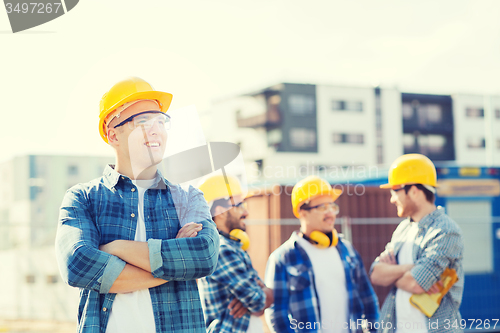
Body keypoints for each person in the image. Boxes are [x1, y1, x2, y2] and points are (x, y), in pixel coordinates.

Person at [55, 77, 220, 333]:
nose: (156, 130)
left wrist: (116, 248)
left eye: (161, 121)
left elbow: (204, 256)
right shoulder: (83, 198)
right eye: (142, 122)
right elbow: (77, 265)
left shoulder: (189, 198)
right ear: (113, 134)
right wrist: (175, 266)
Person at [265, 176, 379, 333]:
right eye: (322, 207)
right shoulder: (282, 258)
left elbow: (369, 300)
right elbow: (277, 315)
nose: (331, 213)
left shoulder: (348, 251)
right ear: (301, 212)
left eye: (332, 206)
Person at [370, 154, 464, 333]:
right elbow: (375, 274)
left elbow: (416, 284)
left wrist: (393, 272)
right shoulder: (402, 229)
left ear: (413, 191)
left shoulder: (445, 231)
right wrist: (410, 268)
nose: (391, 198)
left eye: (395, 190)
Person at [197, 174, 274, 333]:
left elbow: (261, 301)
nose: (246, 213)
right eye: (240, 205)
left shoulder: (233, 247)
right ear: (221, 211)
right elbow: (258, 302)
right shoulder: (222, 250)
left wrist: (259, 296)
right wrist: (261, 295)